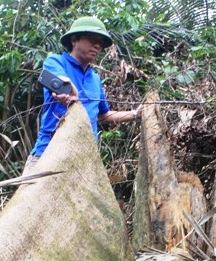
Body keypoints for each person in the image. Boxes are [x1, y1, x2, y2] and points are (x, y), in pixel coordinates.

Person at [24, 16, 141, 173]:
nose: (97, 45)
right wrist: (68, 91)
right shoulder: (55, 62)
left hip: (83, 160)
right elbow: (60, 83)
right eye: (92, 39)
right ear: (74, 40)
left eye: (100, 42)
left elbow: (103, 116)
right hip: (48, 153)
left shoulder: (95, 79)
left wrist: (134, 114)